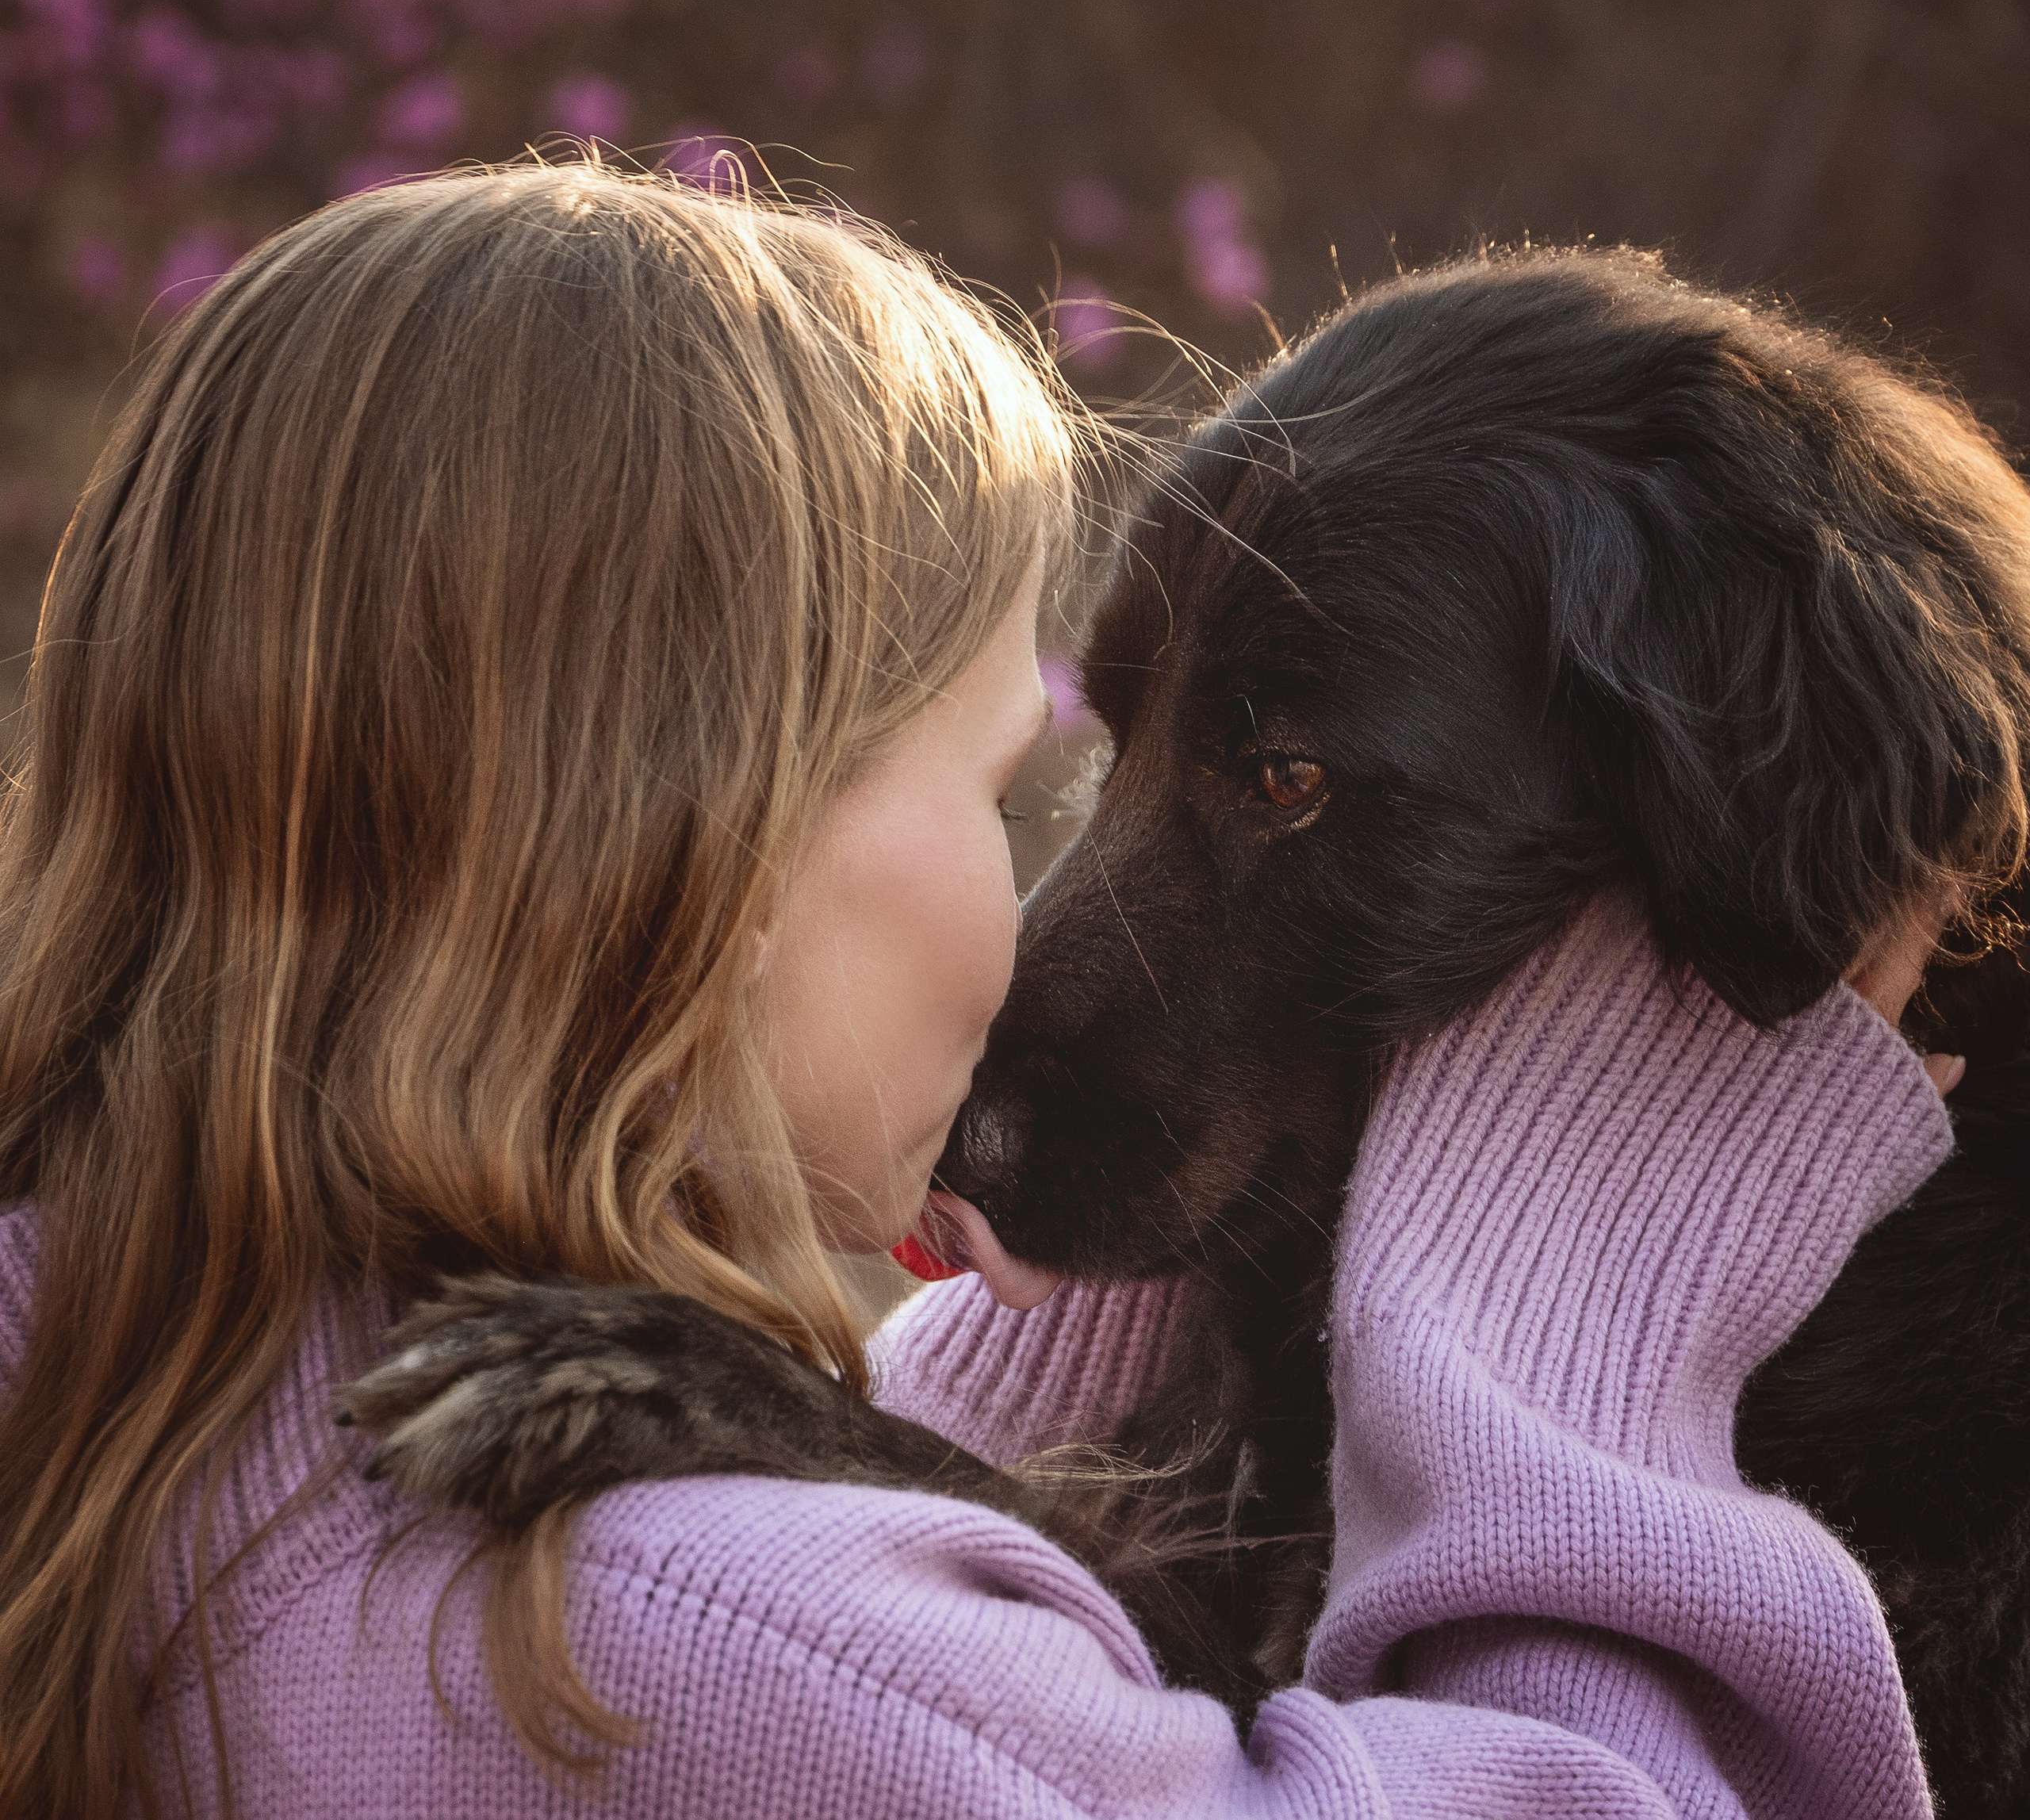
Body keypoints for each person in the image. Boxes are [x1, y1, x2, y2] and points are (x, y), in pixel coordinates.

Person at [0, 162, 2006, 1818]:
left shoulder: (139, 1391)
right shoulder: (726, 1653)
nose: (1062, 896)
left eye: (1278, 776)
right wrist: (1575, 1332)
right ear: (675, 836)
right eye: (1029, 776)